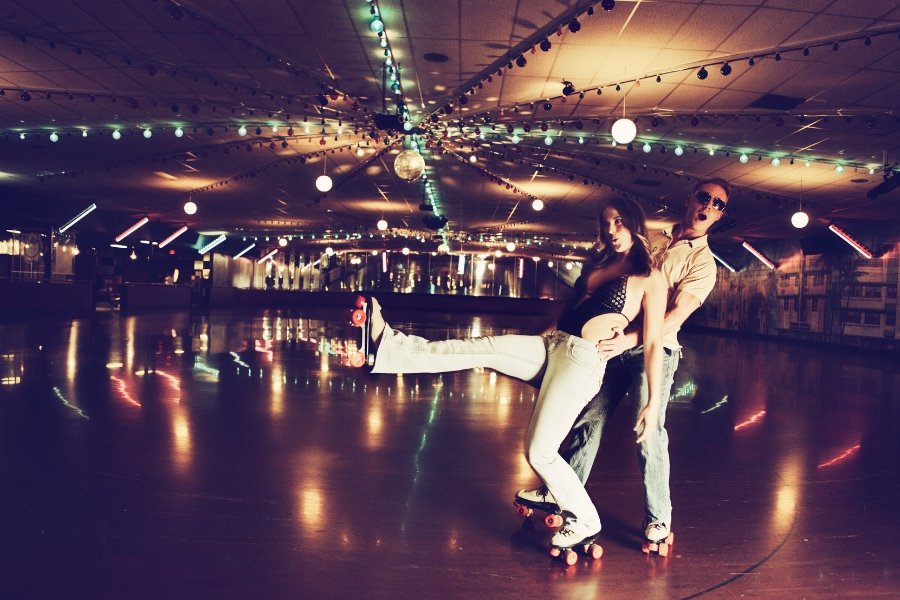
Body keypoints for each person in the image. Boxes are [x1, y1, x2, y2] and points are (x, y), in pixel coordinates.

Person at [361, 197, 667, 552]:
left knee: (539, 451)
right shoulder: (601, 263)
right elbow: (569, 310)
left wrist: (652, 401)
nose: (612, 231)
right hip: (553, 346)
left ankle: (585, 518)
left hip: (582, 362)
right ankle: (389, 347)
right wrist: (537, 338)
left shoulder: (650, 276)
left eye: (619, 222)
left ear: (634, 223)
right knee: (481, 347)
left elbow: (654, 342)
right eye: (606, 224)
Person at [515, 177, 731, 551]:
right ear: (690, 198)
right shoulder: (653, 237)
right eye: (704, 197)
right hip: (611, 345)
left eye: (718, 204)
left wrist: (630, 339)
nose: (709, 205)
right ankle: (560, 491)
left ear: (719, 216)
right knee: (589, 417)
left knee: (649, 430)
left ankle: (658, 518)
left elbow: (676, 314)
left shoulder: (703, 263)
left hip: (655, 350)